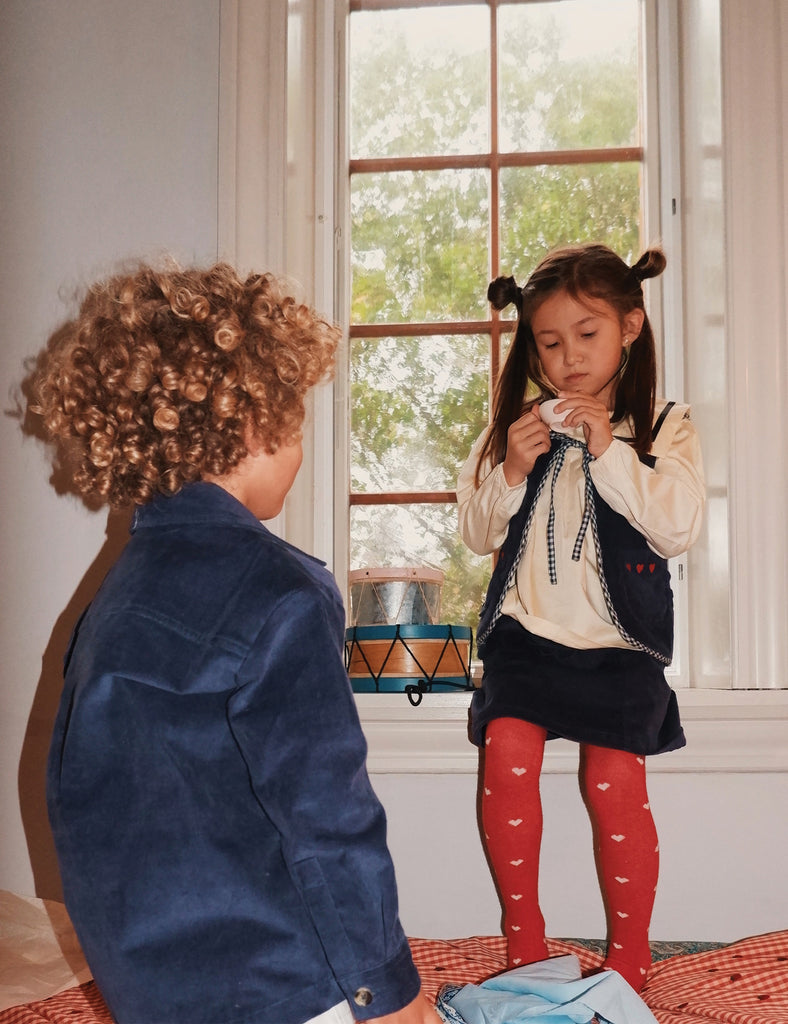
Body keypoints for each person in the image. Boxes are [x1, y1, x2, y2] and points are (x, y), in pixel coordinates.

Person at [33, 261, 441, 1024]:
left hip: (154, 993)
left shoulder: (110, 607)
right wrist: (385, 991)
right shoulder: (281, 592)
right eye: (294, 423)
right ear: (254, 425)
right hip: (288, 986)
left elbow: (85, 814)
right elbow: (330, 817)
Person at [457, 243, 705, 993]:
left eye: (587, 335)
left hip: (620, 645)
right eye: (549, 342)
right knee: (506, 754)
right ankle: (524, 941)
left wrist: (608, 452)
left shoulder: (663, 425)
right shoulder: (513, 427)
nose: (567, 359)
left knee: (611, 779)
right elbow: (474, 531)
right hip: (527, 640)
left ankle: (632, 956)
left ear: (631, 326)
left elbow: (680, 526)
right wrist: (511, 470)